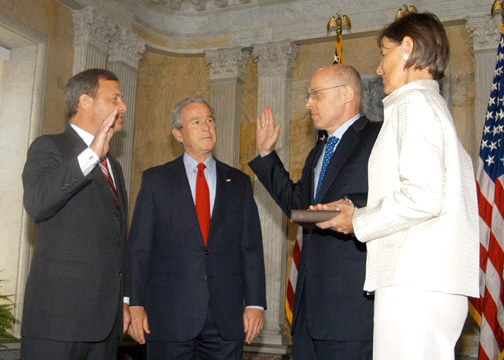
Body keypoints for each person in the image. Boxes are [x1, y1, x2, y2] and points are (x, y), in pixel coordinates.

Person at [315, 13, 479, 360]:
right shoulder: (430, 105)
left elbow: (423, 196)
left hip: (414, 280)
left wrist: (358, 222)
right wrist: (359, 213)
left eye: (384, 53)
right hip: (426, 280)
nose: (378, 67)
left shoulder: (413, 104)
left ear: (408, 48)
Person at [249, 64, 380, 360]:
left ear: (347, 94)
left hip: (351, 313)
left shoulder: (377, 137)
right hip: (309, 310)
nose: (308, 103)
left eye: (316, 95)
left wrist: (353, 206)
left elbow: (393, 200)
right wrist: (267, 157)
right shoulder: (319, 149)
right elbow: (301, 208)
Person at [127, 96, 266, 359]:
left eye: (210, 120)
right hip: (170, 319)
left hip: (225, 320)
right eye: (196, 122)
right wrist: (135, 304)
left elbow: (251, 248)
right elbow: (139, 249)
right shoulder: (156, 180)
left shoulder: (238, 182)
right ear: (178, 134)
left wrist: (256, 303)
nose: (206, 127)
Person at [21, 68, 130, 359]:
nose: (123, 106)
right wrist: (92, 154)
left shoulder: (114, 167)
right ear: (85, 102)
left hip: (105, 326)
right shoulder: (49, 147)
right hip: (58, 322)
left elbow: (119, 240)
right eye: (115, 98)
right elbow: (37, 202)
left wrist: (124, 299)